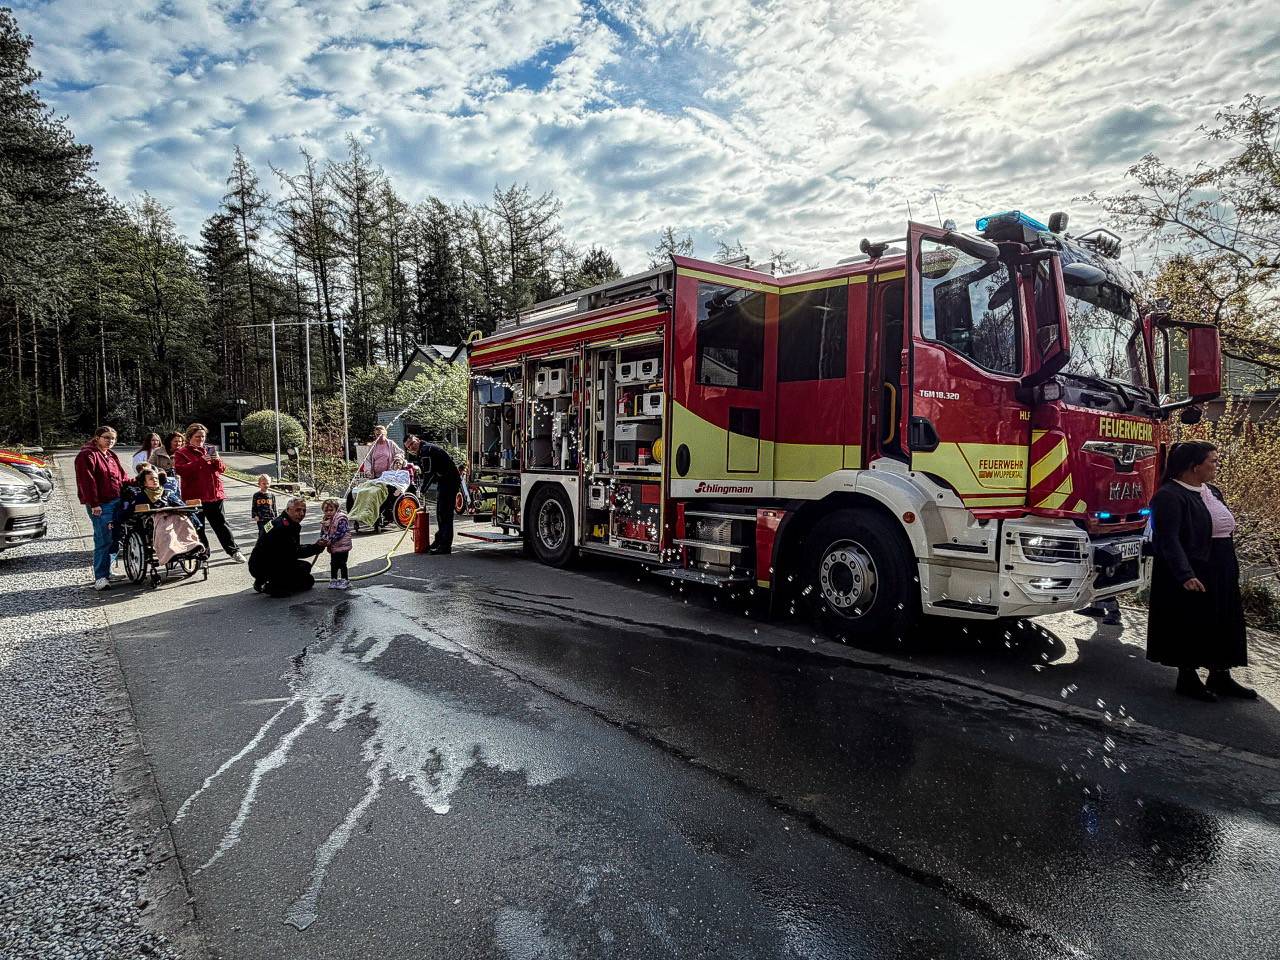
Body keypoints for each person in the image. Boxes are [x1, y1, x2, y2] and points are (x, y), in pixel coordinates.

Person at [1147, 440, 1255, 701]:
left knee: (1223, 620)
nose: (1217, 465)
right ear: (1195, 466)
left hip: (1220, 565)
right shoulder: (1169, 495)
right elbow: (1168, 539)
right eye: (1213, 461)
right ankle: (1188, 678)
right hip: (1194, 567)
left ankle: (1220, 675)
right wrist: (1185, 574)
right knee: (1192, 622)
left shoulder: (1212, 491)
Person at [174, 422, 245, 563]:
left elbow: (222, 469)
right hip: (195, 497)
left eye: (203, 436)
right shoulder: (181, 453)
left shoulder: (209, 449)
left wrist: (217, 460)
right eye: (197, 437)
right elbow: (181, 471)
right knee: (199, 527)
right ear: (190, 437)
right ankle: (203, 554)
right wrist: (200, 461)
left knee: (222, 525)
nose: (201, 439)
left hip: (215, 495)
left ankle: (233, 551)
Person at [74, 426, 133, 591]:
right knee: (103, 539)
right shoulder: (87, 455)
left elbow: (122, 477)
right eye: (106, 437)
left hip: (116, 501)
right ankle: (100, 577)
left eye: (113, 438)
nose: (110, 441)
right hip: (101, 505)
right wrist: (94, 504)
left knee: (115, 538)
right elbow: (86, 481)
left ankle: (108, 570)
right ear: (97, 437)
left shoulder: (111, 454)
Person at [249, 497, 325, 597]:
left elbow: (290, 549)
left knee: (304, 570)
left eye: (304, 510)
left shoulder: (277, 521)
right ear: (288, 510)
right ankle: (273, 587)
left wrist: (315, 547)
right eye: (298, 510)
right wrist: (316, 548)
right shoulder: (284, 527)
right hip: (267, 565)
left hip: (260, 563)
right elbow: (294, 552)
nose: (302, 514)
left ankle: (263, 580)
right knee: (306, 576)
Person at [416, 440, 462, 554]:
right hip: (445, 480)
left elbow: (429, 473)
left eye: (412, 443)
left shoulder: (426, 450)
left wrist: (423, 489)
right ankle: (439, 540)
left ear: (417, 440)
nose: (411, 447)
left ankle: (445, 546)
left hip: (449, 480)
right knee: (441, 513)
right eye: (408, 447)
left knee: (445, 514)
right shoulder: (426, 449)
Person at [318, 498, 353, 590]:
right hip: (333, 546)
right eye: (326, 510)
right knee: (333, 563)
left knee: (342, 563)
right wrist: (322, 538)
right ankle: (334, 579)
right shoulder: (326, 519)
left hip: (343, 545)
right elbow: (323, 531)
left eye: (331, 510)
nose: (329, 512)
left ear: (336, 509)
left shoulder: (341, 518)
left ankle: (345, 580)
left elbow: (340, 532)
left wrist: (329, 539)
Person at [251, 474, 277, 539]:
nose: (266, 485)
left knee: (269, 532)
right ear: (259, 484)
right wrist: (255, 515)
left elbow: (274, 507)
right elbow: (254, 507)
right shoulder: (256, 495)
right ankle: (261, 545)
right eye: (264, 483)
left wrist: (276, 517)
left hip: (270, 518)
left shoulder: (272, 495)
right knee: (262, 532)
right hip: (261, 518)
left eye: (267, 483)